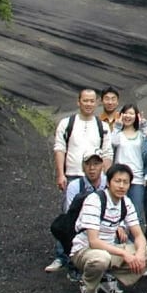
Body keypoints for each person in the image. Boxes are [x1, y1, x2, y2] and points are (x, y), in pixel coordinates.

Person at [47, 88, 113, 273]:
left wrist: (106, 178)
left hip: (97, 177)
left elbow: (107, 153)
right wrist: (61, 174)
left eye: (92, 101)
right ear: (78, 102)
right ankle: (62, 256)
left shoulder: (102, 126)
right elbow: (59, 148)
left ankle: (90, 254)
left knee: (96, 217)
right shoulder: (67, 123)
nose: (89, 104)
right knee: (69, 217)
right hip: (74, 175)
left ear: (96, 103)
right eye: (85, 100)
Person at [70, 163, 147, 293]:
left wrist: (139, 254)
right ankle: (88, 285)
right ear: (109, 182)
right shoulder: (95, 200)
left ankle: (107, 278)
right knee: (101, 258)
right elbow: (94, 241)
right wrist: (124, 254)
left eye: (125, 182)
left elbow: (139, 235)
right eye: (117, 181)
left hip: (110, 249)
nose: (121, 186)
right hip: (85, 250)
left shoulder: (126, 203)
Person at [45, 149, 109, 274]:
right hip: (81, 224)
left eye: (96, 164)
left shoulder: (110, 183)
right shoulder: (74, 185)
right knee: (62, 225)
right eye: (88, 164)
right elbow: (71, 213)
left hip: (107, 224)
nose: (92, 168)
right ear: (82, 166)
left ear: (102, 165)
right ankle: (69, 260)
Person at [111, 103, 147, 226]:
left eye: (131, 113)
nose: (128, 116)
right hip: (120, 177)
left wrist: (144, 127)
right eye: (126, 113)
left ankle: (135, 241)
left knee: (136, 213)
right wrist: (117, 127)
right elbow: (112, 142)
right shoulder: (118, 134)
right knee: (118, 212)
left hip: (137, 178)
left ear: (137, 116)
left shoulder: (140, 135)